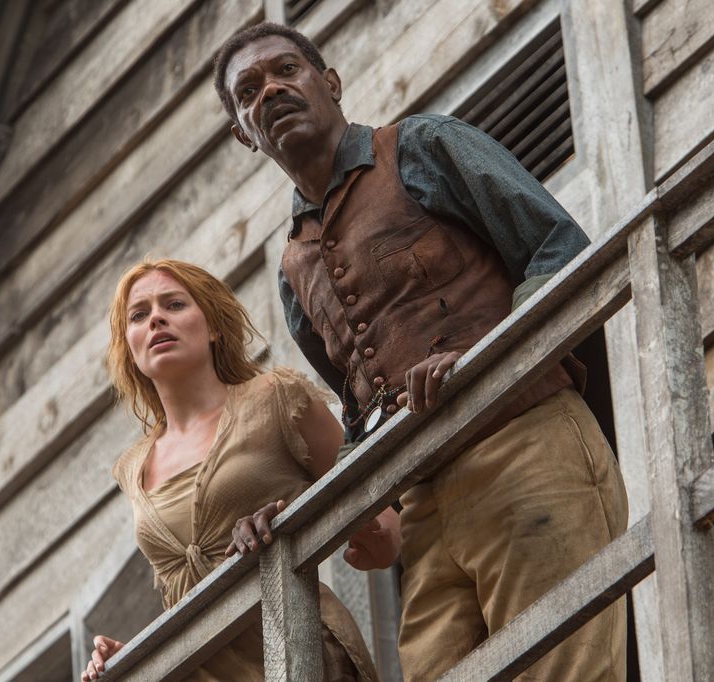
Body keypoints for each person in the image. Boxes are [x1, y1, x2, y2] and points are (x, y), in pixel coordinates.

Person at [212, 23, 630, 681]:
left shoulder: (422, 146)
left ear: (330, 82)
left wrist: (483, 355)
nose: (270, 91)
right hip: (426, 504)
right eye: (249, 92)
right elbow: (361, 413)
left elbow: (559, 250)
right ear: (244, 133)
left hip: (526, 440)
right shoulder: (294, 269)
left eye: (286, 70)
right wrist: (295, 513)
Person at [80, 258, 399, 682]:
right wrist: (138, 660)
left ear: (213, 327)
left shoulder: (276, 397)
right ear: (130, 347)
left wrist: (289, 524)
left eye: (174, 304)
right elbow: (185, 600)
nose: (156, 318)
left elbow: (386, 527)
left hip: (301, 655)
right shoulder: (133, 469)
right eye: (139, 315)